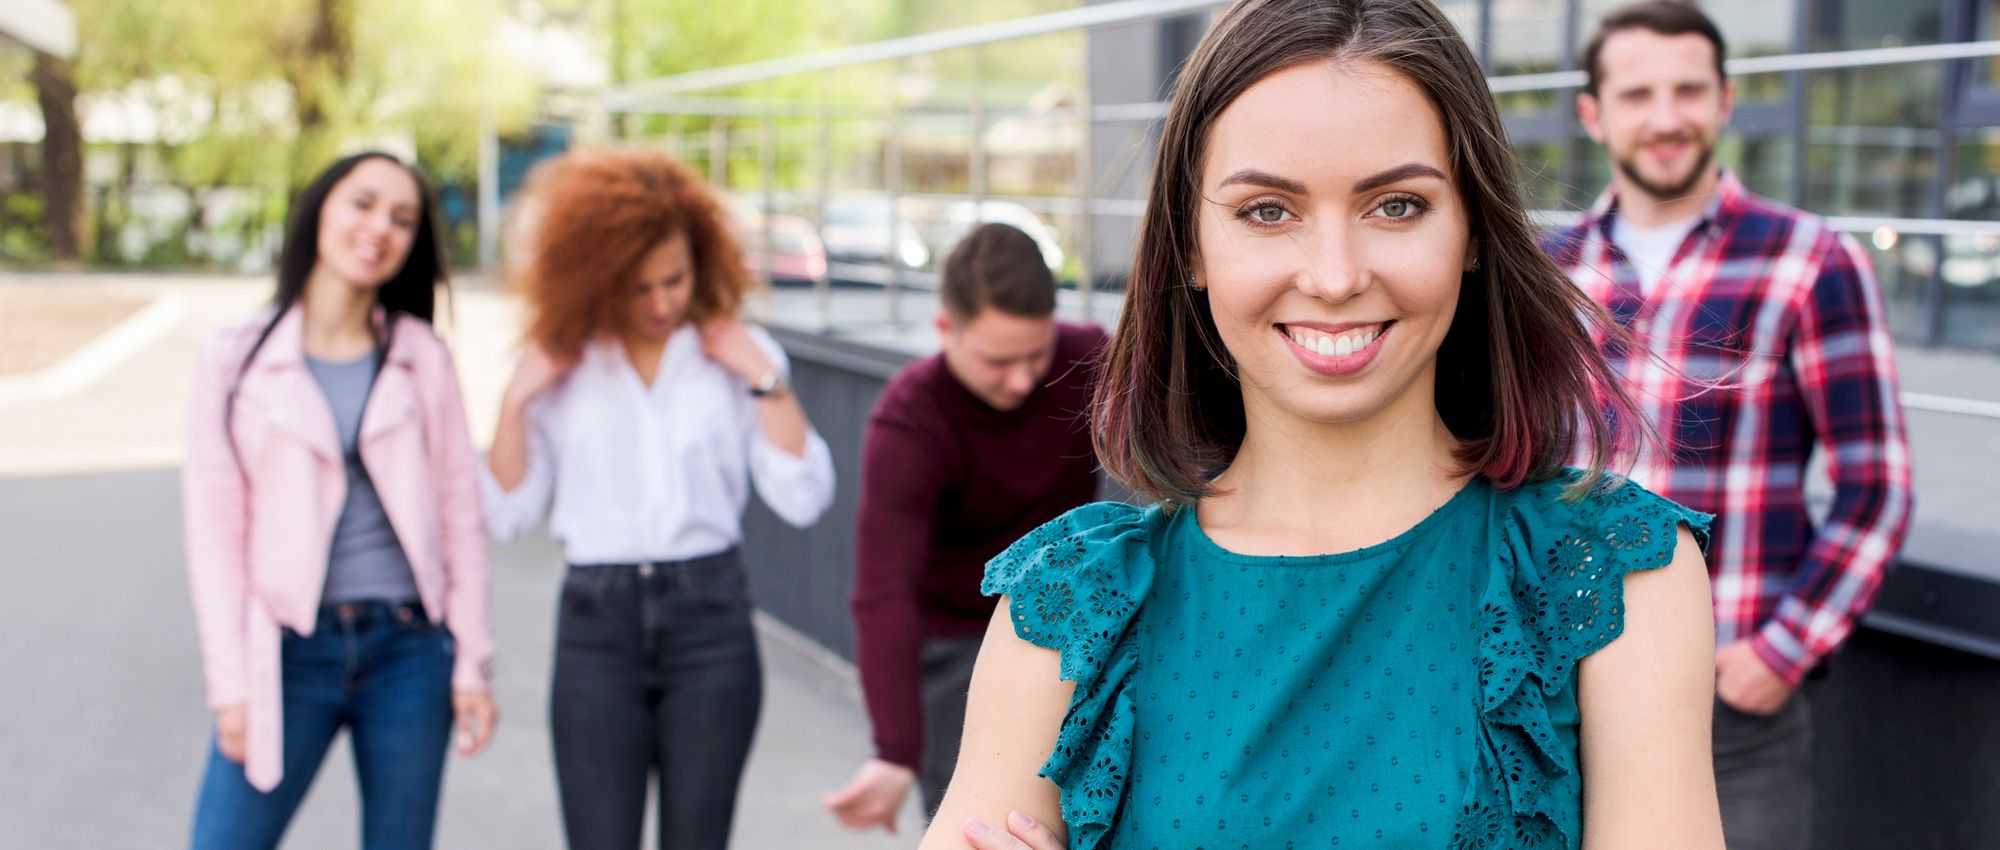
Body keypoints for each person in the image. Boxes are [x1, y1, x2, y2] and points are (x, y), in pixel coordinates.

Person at [921, 0, 1728, 848]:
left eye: (1397, 206)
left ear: (1474, 232)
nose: (1336, 275)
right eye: (1268, 210)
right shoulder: (1071, 601)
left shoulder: (1612, 573)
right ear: (1190, 245)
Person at [1551, 4, 1915, 847]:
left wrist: (1785, 650)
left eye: (1689, 90)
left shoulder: (1813, 262)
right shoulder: (1549, 273)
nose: (1667, 117)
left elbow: (1877, 487)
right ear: (1594, 114)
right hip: (1564, 685)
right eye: (1638, 93)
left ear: (1725, 100)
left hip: (1731, 709)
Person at [480, 146, 836, 850]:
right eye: (637, 287)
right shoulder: (564, 360)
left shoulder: (739, 350)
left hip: (710, 619)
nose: (661, 302)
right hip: (595, 623)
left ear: (701, 256)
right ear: (598, 280)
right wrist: (516, 402)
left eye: (674, 278)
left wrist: (766, 380)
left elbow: (804, 496)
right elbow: (509, 514)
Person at [182, 151, 497, 850]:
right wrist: (229, 684)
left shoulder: (422, 356)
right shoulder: (234, 358)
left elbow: (459, 516)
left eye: (403, 218)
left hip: (409, 652)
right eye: (362, 203)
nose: (379, 227)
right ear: (321, 208)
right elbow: (214, 535)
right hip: (287, 652)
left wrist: (471, 661)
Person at [825, 223, 1107, 833]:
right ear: (945, 329)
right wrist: (895, 750)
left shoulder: (1086, 359)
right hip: (958, 649)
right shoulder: (910, 421)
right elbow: (884, 592)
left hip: (1074, 630)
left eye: (1036, 354)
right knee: (980, 826)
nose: (1023, 380)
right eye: (998, 361)